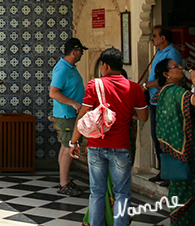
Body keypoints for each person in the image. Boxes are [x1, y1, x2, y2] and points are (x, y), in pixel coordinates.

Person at [70, 48, 148, 226]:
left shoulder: (94, 85)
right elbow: (143, 117)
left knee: (97, 192)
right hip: (121, 147)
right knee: (122, 193)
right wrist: (127, 113)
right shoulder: (134, 88)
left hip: (96, 146)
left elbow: (83, 115)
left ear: (104, 65)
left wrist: (73, 142)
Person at [155, 57, 195, 225]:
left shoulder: (164, 92)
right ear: (166, 74)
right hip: (186, 152)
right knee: (186, 191)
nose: (180, 68)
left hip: (174, 153)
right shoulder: (175, 93)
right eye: (175, 67)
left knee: (178, 189)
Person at [143, 26, 182, 184]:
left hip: (165, 101)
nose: (152, 39)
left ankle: (170, 173)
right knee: (157, 137)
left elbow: (168, 79)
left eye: (154, 36)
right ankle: (162, 170)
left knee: (168, 137)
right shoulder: (159, 53)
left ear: (163, 38)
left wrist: (145, 85)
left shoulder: (172, 54)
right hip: (155, 101)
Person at [49, 37, 86, 196]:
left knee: (67, 146)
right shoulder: (62, 69)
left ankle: (65, 181)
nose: (81, 55)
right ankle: (64, 183)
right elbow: (53, 92)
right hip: (67, 115)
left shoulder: (70, 67)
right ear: (74, 52)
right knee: (68, 146)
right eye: (80, 52)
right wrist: (74, 103)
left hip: (72, 115)